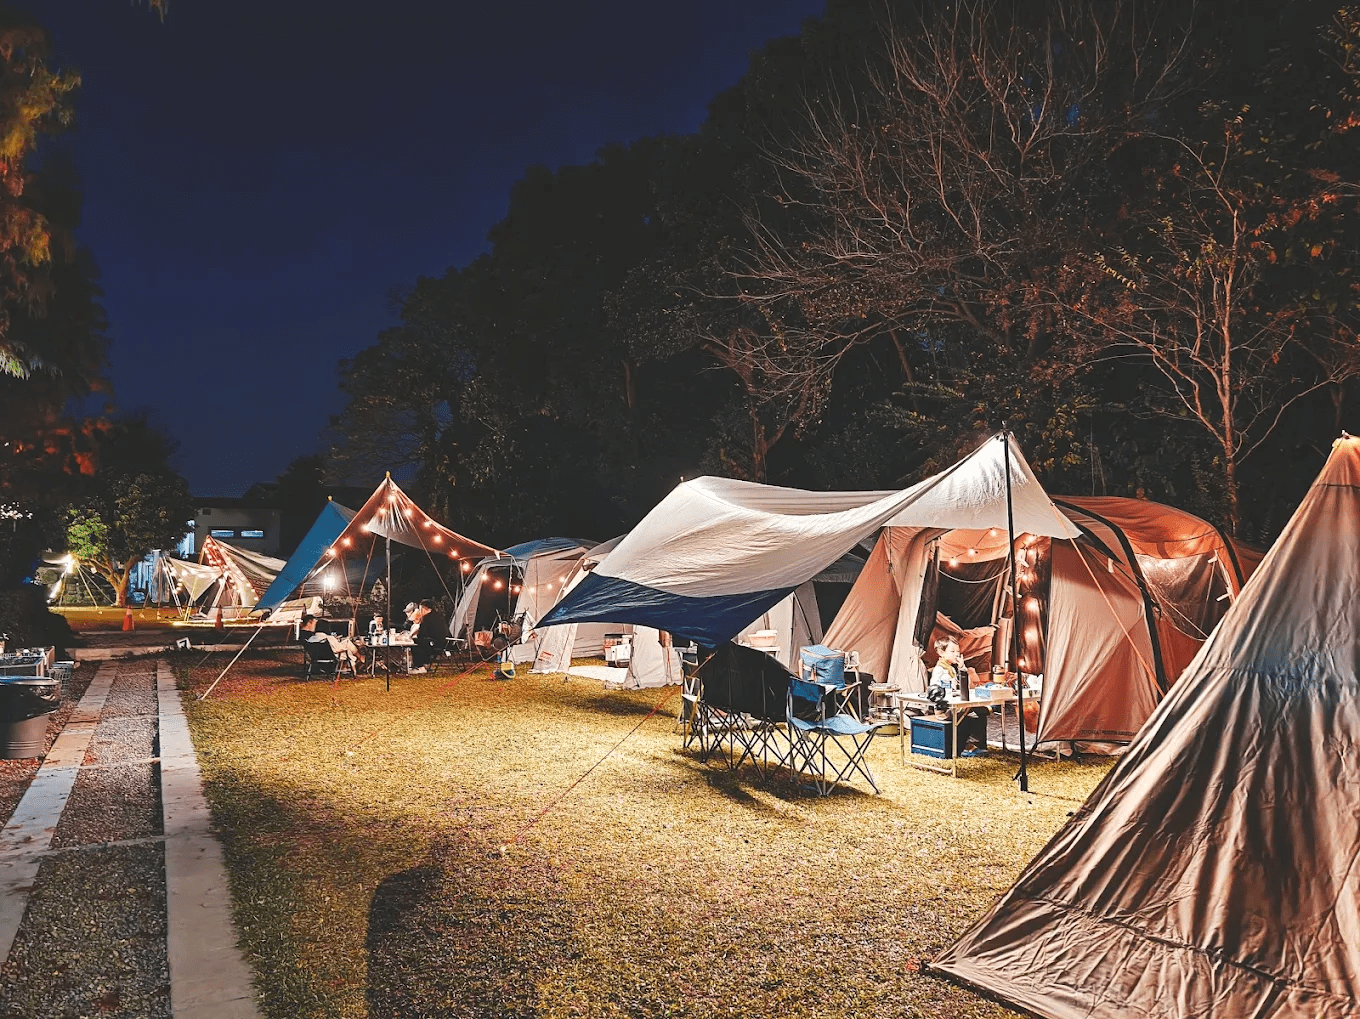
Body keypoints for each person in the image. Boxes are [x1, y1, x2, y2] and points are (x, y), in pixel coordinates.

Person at [927, 636, 989, 753]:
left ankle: (976, 744)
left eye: (958, 652)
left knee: (982, 709)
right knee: (977, 711)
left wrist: (962, 667)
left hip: (955, 704)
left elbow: (968, 686)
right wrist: (948, 695)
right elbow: (934, 690)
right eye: (952, 651)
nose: (956, 654)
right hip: (945, 709)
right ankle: (967, 746)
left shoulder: (952, 669)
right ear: (941, 652)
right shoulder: (939, 669)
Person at [409, 598, 448, 674]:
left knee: (415, 643)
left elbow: (421, 634)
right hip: (444, 642)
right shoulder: (438, 616)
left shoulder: (427, 619)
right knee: (421, 642)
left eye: (420, 609)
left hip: (435, 643)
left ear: (423, 609)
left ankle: (420, 666)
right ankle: (424, 664)